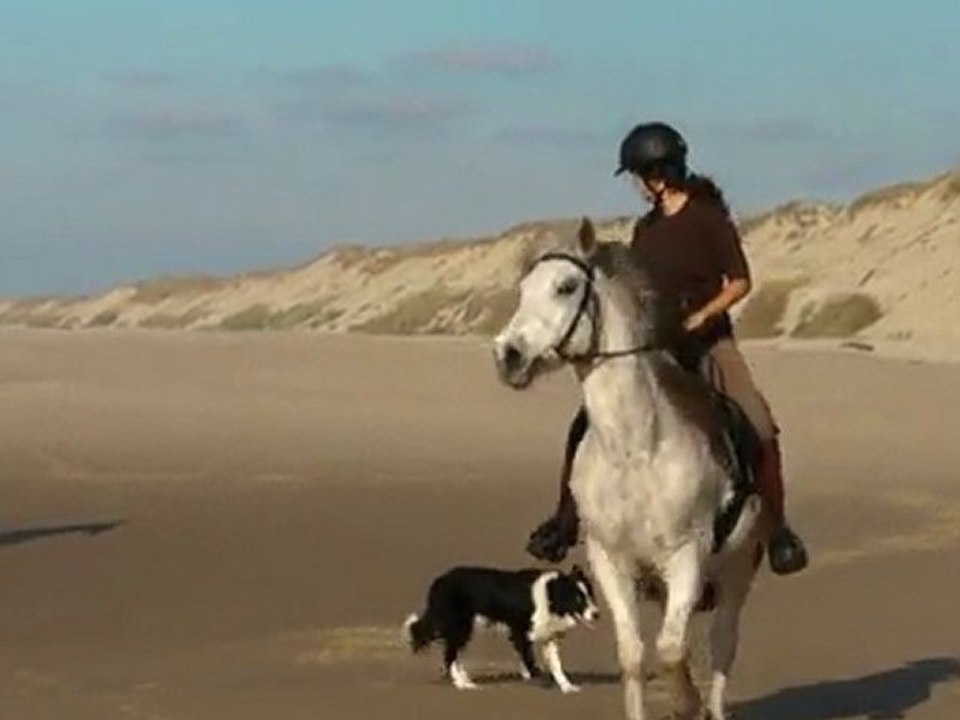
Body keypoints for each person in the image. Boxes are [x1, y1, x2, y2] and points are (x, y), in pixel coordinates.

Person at [525, 121, 809, 576]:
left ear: (657, 174)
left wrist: (702, 317)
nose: (637, 186)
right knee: (586, 424)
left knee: (756, 420)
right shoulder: (647, 228)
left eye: (638, 176)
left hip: (708, 342)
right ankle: (564, 520)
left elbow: (739, 282)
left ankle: (777, 531)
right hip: (657, 345)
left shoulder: (709, 220)